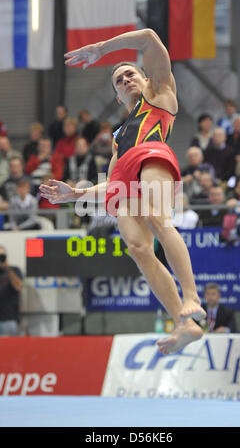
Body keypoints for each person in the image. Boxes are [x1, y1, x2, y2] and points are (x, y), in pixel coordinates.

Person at [40, 28, 206, 355]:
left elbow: (148, 37)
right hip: (125, 173)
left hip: (152, 153)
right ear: (118, 98)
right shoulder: (118, 136)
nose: (126, 79)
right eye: (119, 80)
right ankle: (184, 324)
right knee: (136, 247)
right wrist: (74, 194)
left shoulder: (160, 93)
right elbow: (113, 182)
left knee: (158, 220)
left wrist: (102, 49)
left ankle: (192, 297)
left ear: (146, 78)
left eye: (130, 73)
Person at [0, 245, 23, 336]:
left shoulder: (14, 270)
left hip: (9, 320)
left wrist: (7, 267)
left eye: (2, 256)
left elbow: (19, 286)